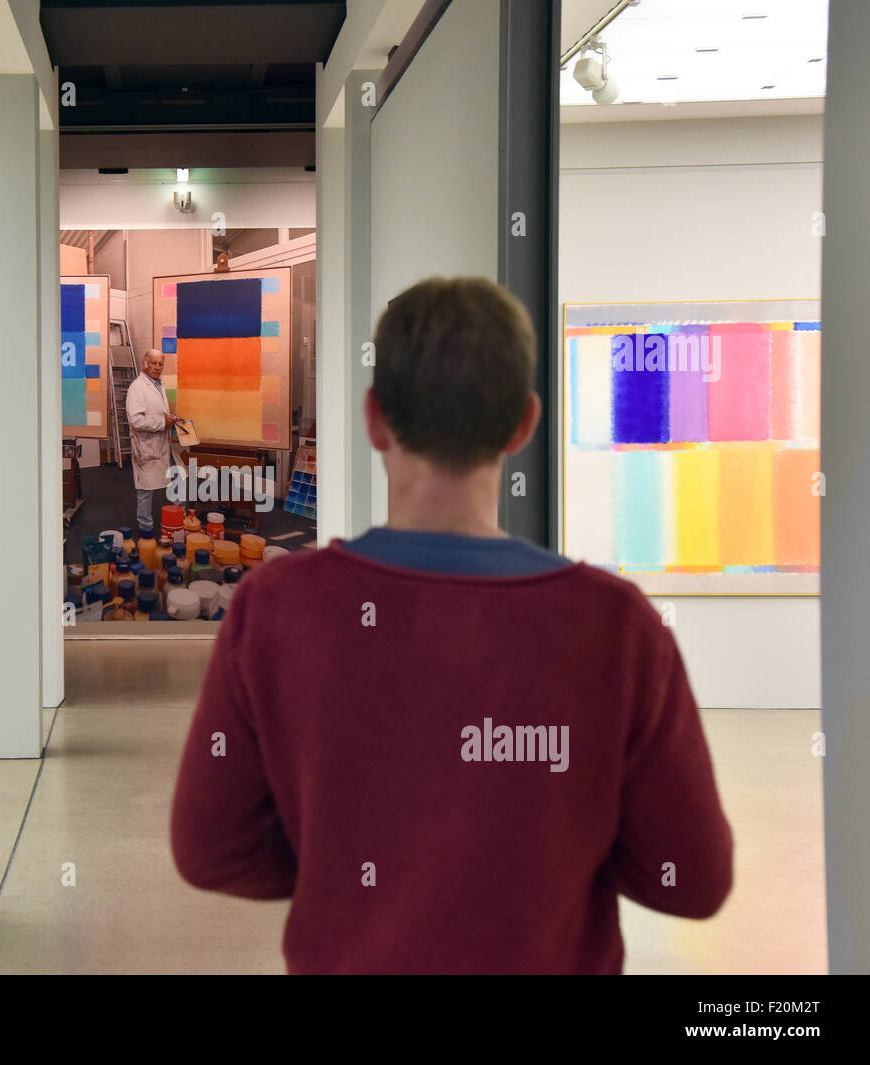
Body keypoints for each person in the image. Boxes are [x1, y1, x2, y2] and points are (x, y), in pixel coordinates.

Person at [169, 276, 733, 974]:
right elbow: (694, 878)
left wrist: (349, 871)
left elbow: (208, 847)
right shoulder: (616, 627)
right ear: (524, 424)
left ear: (375, 421)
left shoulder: (277, 606)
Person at [125, 349, 180, 533]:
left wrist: (170, 419)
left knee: (176, 479)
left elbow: (157, 411)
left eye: (160, 364)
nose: (157, 367)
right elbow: (135, 419)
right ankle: (145, 527)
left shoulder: (158, 385)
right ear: (144, 363)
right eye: (153, 363)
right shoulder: (137, 387)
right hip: (146, 446)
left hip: (162, 444)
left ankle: (180, 519)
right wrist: (161, 422)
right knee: (145, 490)